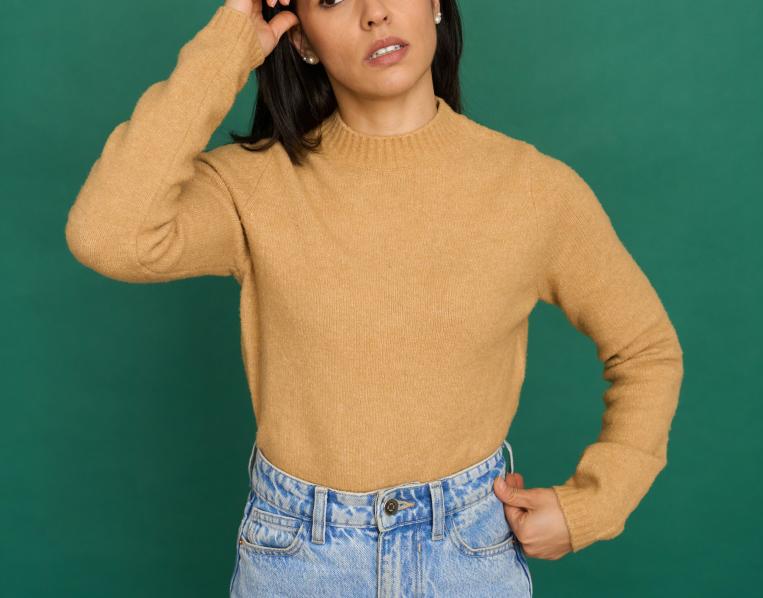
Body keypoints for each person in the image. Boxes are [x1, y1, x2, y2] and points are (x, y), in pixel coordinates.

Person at [64, 0, 684, 595]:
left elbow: (645, 350)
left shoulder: (535, 191)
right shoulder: (253, 187)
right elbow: (108, 234)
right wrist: (231, 40)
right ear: (300, 37)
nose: (374, 12)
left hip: (470, 557)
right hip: (296, 562)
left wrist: (595, 504)